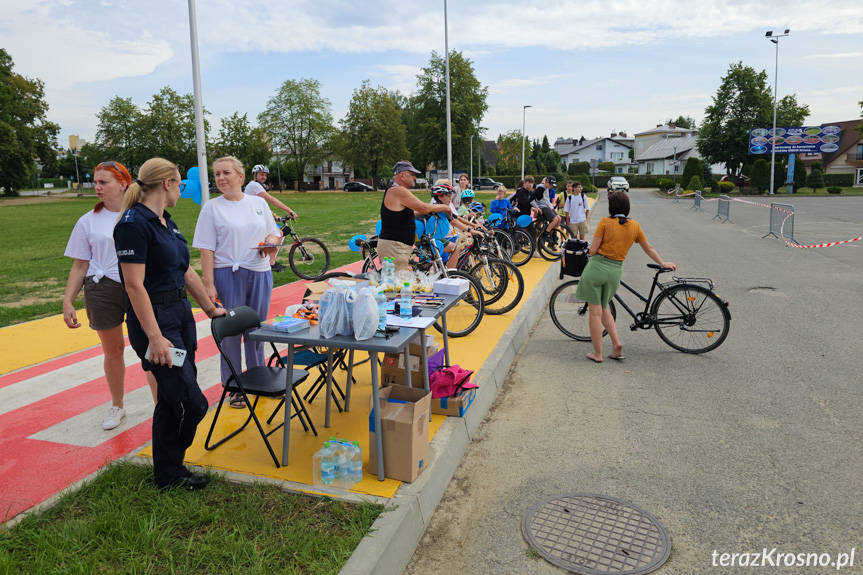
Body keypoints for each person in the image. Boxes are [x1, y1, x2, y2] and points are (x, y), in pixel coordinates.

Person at [114, 157, 227, 491]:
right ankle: (173, 466)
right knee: (191, 401)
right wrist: (155, 337)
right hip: (155, 323)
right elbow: (134, 285)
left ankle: (167, 473)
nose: (181, 189)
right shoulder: (133, 225)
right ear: (167, 183)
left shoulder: (167, 221)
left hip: (179, 316)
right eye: (180, 183)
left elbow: (186, 270)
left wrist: (209, 307)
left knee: (169, 396)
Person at [63, 161, 158, 430]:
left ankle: (160, 406)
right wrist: (68, 300)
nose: (97, 187)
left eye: (104, 182)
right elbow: (80, 265)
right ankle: (117, 406)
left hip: (138, 287)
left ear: (124, 184)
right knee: (113, 350)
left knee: (152, 346)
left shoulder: (140, 214)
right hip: (102, 288)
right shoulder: (88, 221)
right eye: (96, 182)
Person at [194, 156, 281, 409]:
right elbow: (206, 249)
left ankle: (258, 378)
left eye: (226, 173)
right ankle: (234, 385)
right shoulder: (212, 207)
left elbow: (273, 231)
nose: (221, 178)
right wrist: (209, 285)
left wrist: (272, 241)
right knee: (230, 334)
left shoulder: (258, 203)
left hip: (260, 272)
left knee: (256, 330)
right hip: (227, 274)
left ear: (241, 177)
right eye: (217, 174)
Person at [575, 192, 676, 363]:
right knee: (604, 306)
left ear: (611, 207)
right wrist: (662, 262)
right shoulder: (634, 226)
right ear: (627, 207)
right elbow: (648, 248)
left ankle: (597, 354)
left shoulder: (605, 222)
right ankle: (616, 344)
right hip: (615, 271)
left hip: (597, 267)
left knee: (594, 313)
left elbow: (592, 250)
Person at [378, 161, 449, 272]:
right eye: (412, 174)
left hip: (395, 246)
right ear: (402, 175)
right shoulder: (398, 190)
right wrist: (443, 207)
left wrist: (426, 213)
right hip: (395, 246)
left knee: (396, 284)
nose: (415, 178)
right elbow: (423, 207)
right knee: (397, 285)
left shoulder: (394, 190)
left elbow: (406, 215)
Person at [245, 164, 297, 272]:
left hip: (256, 216)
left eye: (265, 175)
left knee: (277, 233)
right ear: (255, 175)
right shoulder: (254, 185)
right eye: (261, 174)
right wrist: (289, 210)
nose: (263, 177)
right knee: (278, 233)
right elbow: (271, 199)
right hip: (253, 218)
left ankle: (268, 259)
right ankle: (271, 263)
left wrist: (275, 216)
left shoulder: (255, 186)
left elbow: (263, 206)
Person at [531, 175, 562, 245]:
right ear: (546, 182)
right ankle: (546, 234)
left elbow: (546, 199)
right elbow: (532, 199)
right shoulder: (540, 188)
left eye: (552, 185)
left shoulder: (547, 188)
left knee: (559, 218)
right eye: (550, 184)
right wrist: (537, 208)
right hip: (543, 207)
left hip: (548, 205)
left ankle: (553, 234)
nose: (551, 186)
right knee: (555, 220)